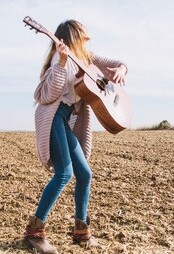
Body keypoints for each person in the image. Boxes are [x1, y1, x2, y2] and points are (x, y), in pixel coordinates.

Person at [24, 19, 128, 253]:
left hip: (65, 119)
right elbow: (48, 95)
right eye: (83, 35)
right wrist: (61, 63)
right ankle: (34, 231)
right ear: (73, 36)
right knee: (65, 173)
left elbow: (118, 63)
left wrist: (121, 70)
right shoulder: (58, 59)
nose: (87, 38)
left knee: (84, 174)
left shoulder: (87, 57)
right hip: (53, 117)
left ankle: (81, 232)